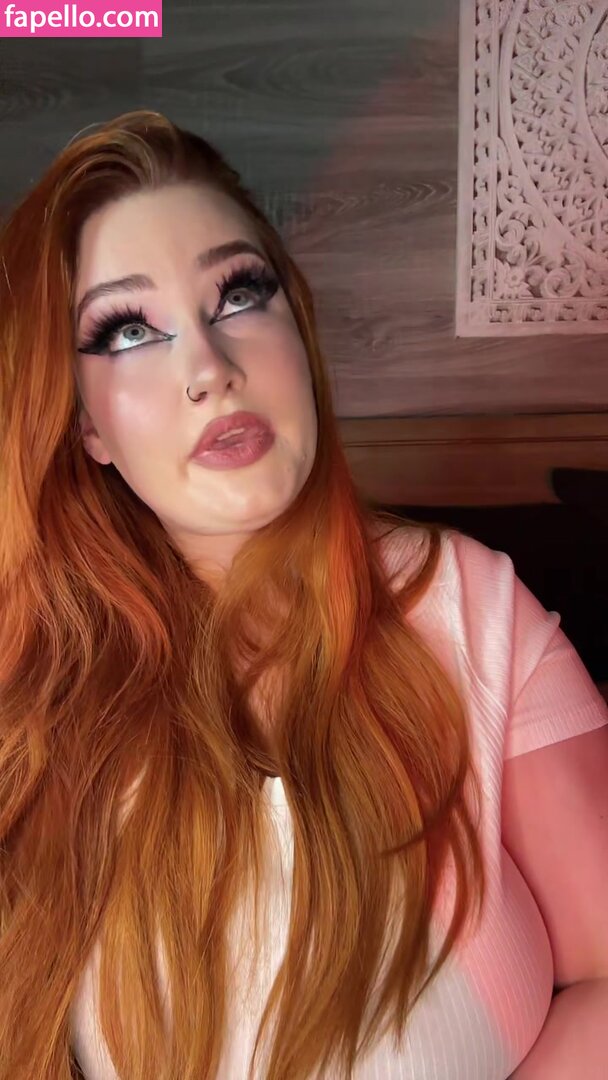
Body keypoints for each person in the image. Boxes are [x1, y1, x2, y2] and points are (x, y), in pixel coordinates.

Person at [0, 110, 606, 1080]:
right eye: (128, 330)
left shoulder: (472, 606)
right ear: (87, 430)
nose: (210, 369)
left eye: (239, 293)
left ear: (299, 328)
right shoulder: (36, 689)